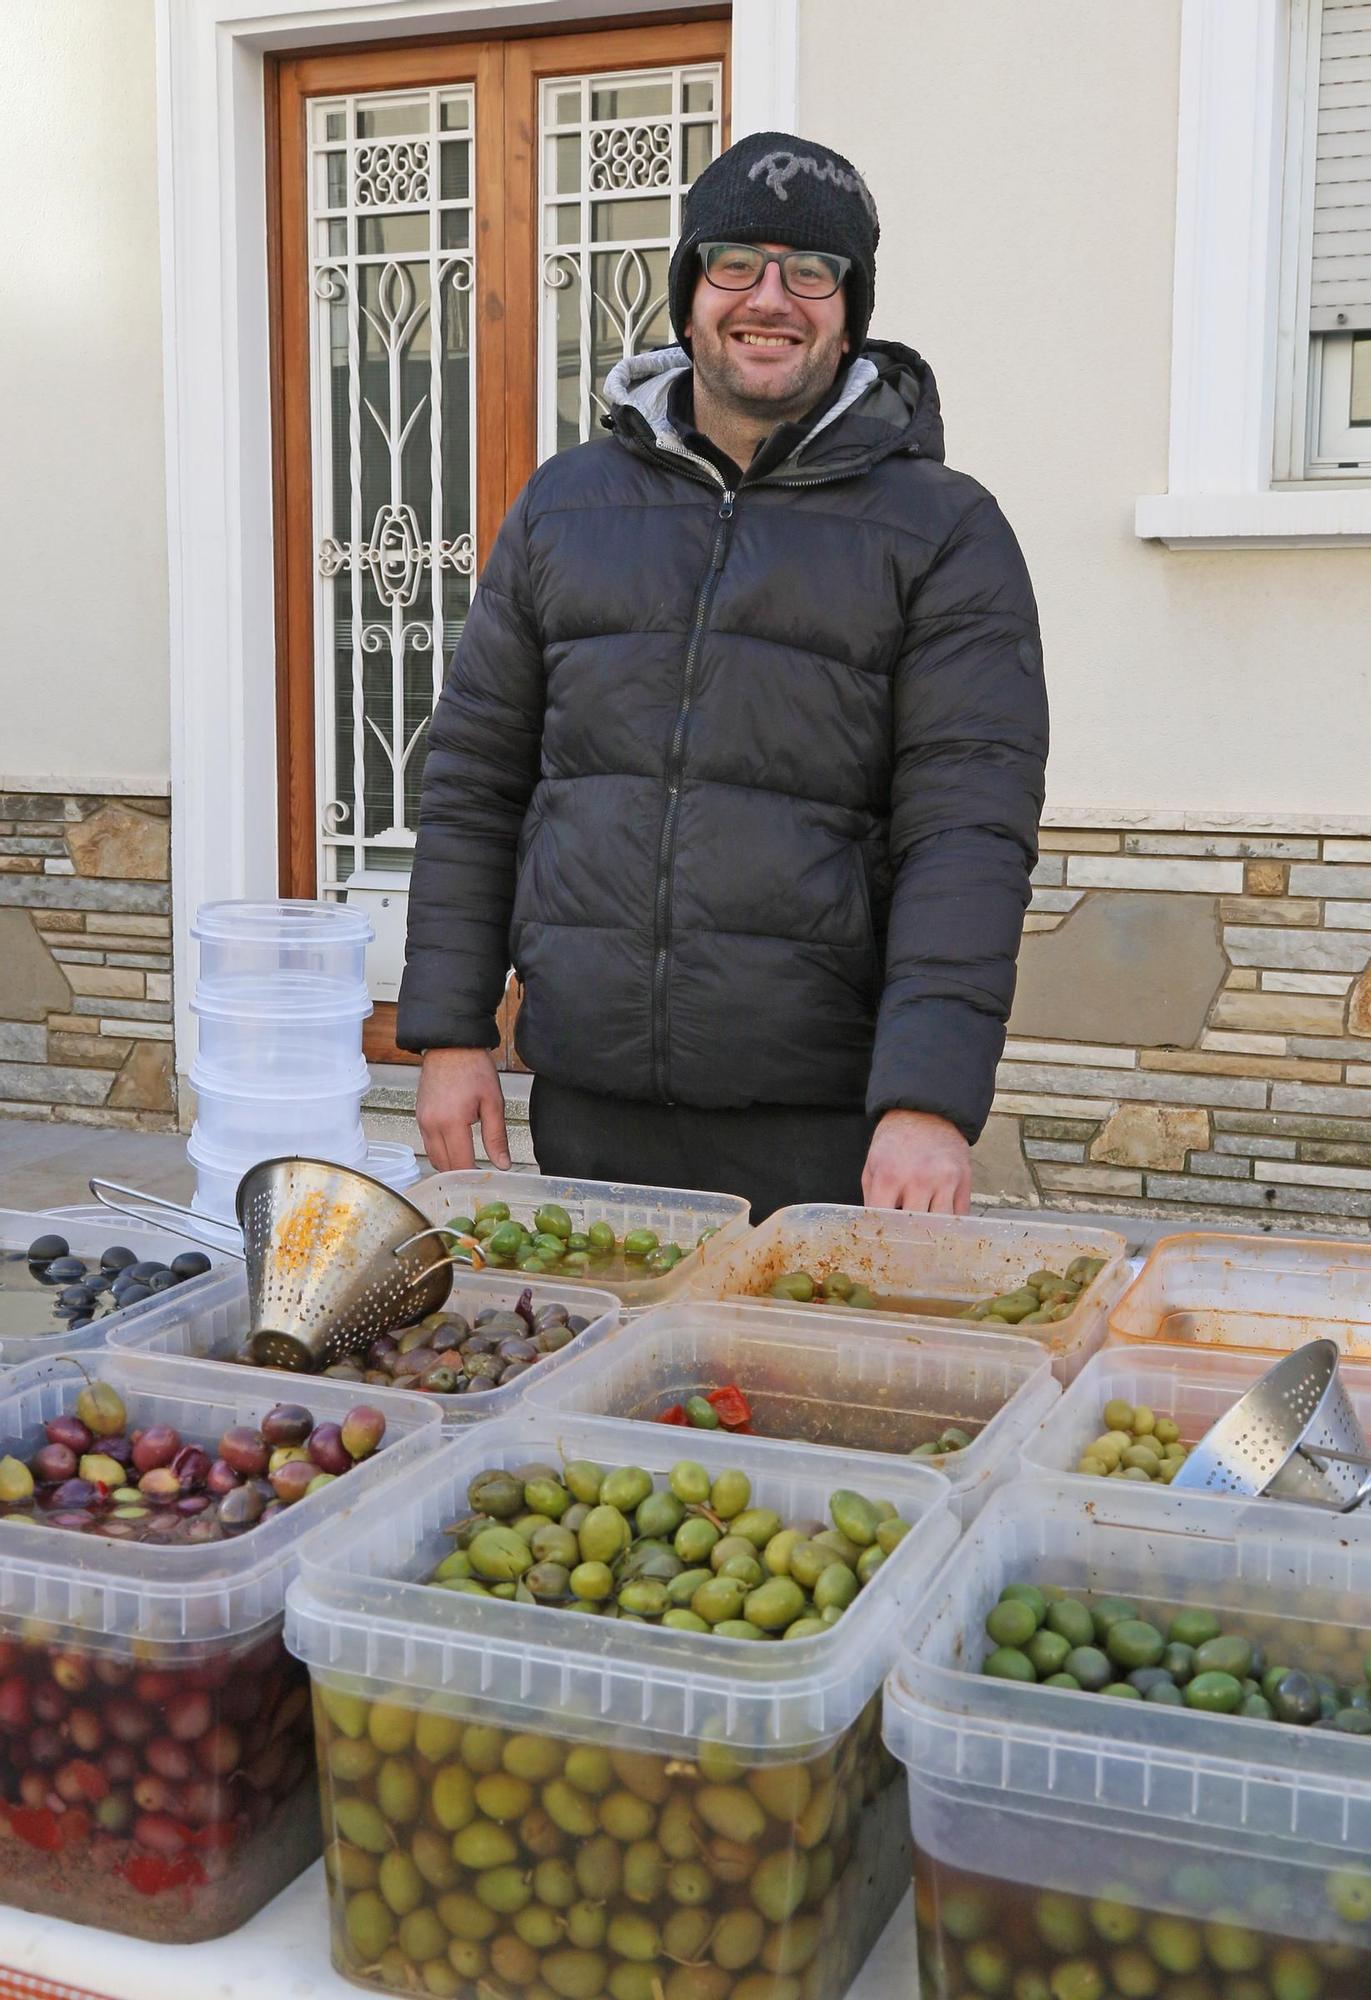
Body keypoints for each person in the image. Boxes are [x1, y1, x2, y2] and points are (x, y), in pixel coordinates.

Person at [398, 129, 1048, 1221]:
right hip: (590, 1109)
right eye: (737, 262)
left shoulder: (945, 532)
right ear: (691, 291)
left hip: (823, 1125)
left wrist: (928, 1100)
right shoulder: (567, 506)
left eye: (813, 271)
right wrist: (452, 1029)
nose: (772, 298)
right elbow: (476, 781)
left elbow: (966, 831)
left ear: (851, 310)